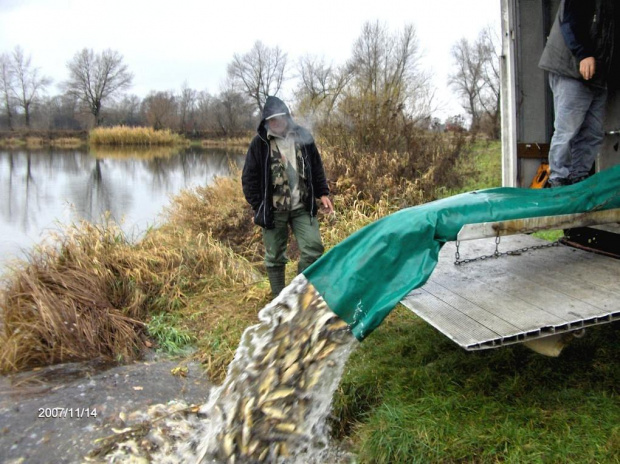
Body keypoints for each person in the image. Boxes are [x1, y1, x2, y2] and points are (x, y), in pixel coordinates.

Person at [242, 96, 334, 297]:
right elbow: (249, 179)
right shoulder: (259, 144)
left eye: (279, 118)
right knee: (274, 256)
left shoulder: (302, 137)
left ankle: (298, 293)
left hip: (302, 206)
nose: (276, 123)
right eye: (271, 119)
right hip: (274, 211)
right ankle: (279, 299)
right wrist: (259, 206)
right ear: (266, 121)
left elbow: (316, 167)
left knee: (314, 249)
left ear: (287, 117)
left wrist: (323, 193)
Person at [539, 0, 615, 187]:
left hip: (598, 73)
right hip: (572, 69)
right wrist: (583, 53)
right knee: (567, 130)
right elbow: (570, 21)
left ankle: (579, 179)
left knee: (593, 132)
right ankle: (558, 180)